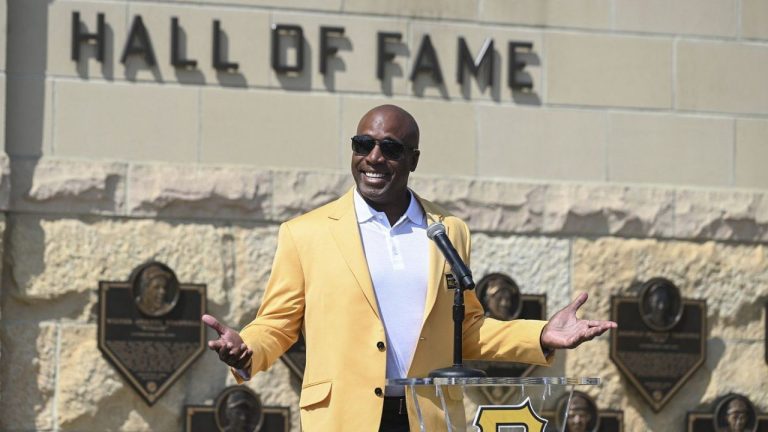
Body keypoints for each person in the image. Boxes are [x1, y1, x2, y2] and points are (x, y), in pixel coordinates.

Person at [202, 105, 617, 432]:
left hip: (428, 417)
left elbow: (465, 331)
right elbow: (278, 322)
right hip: (343, 418)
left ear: (413, 159)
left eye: (391, 148)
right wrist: (247, 348)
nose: (374, 158)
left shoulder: (448, 231)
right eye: (363, 144)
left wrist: (541, 333)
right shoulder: (305, 233)